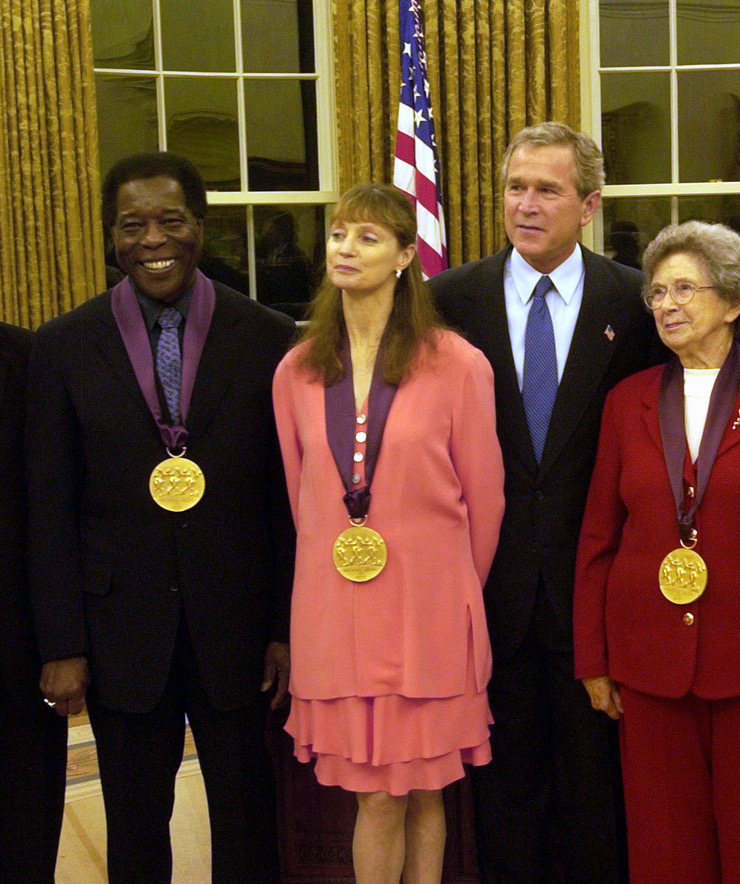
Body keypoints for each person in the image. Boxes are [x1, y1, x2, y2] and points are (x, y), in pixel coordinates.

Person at [25, 152, 295, 882]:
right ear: (110, 235)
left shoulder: (269, 339)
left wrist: (284, 627)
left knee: (248, 820)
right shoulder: (61, 347)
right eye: (132, 224)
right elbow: (49, 506)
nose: (153, 240)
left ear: (200, 227)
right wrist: (62, 642)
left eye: (170, 220)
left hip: (237, 629)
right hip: (118, 633)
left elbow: (286, 500)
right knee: (135, 826)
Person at [574, 220, 740, 883]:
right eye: (659, 292)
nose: (666, 304)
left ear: (733, 302)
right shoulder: (625, 403)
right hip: (648, 666)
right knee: (664, 856)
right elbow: (597, 539)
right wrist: (594, 658)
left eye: (685, 290)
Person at [430, 121, 661, 883]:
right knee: (505, 797)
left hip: (596, 600)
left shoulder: (634, 305)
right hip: (485, 596)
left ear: (589, 204)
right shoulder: (446, 301)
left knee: (599, 798)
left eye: (547, 190)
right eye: (515, 188)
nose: (526, 205)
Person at [273, 183, 505, 884]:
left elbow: (485, 502)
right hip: (337, 616)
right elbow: (302, 500)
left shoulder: (458, 364)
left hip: (430, 615)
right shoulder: (298, 370)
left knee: (425, 787)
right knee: (377, 797)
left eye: (368, 237)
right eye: (339, 234)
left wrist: (453, 593)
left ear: (407, 255)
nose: (346, 248)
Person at [1, 320, 65, 883]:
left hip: (17, 639)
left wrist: (62, 643)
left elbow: (55, 501)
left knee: (25, 823)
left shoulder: (28, 356)